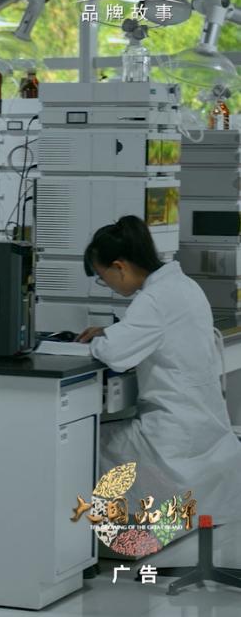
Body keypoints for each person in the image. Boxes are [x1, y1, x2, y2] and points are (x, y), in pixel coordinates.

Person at [78, 216, 241, 528]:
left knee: (85, 443)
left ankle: (87, 542)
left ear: (119, 266)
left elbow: (114, 354)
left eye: (102, 277)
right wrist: (114, 331)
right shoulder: (184, 286)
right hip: (204, 427)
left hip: (172, 435)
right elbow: (157, 331)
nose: (106, 284)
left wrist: (98, 340)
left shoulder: (153, 299)